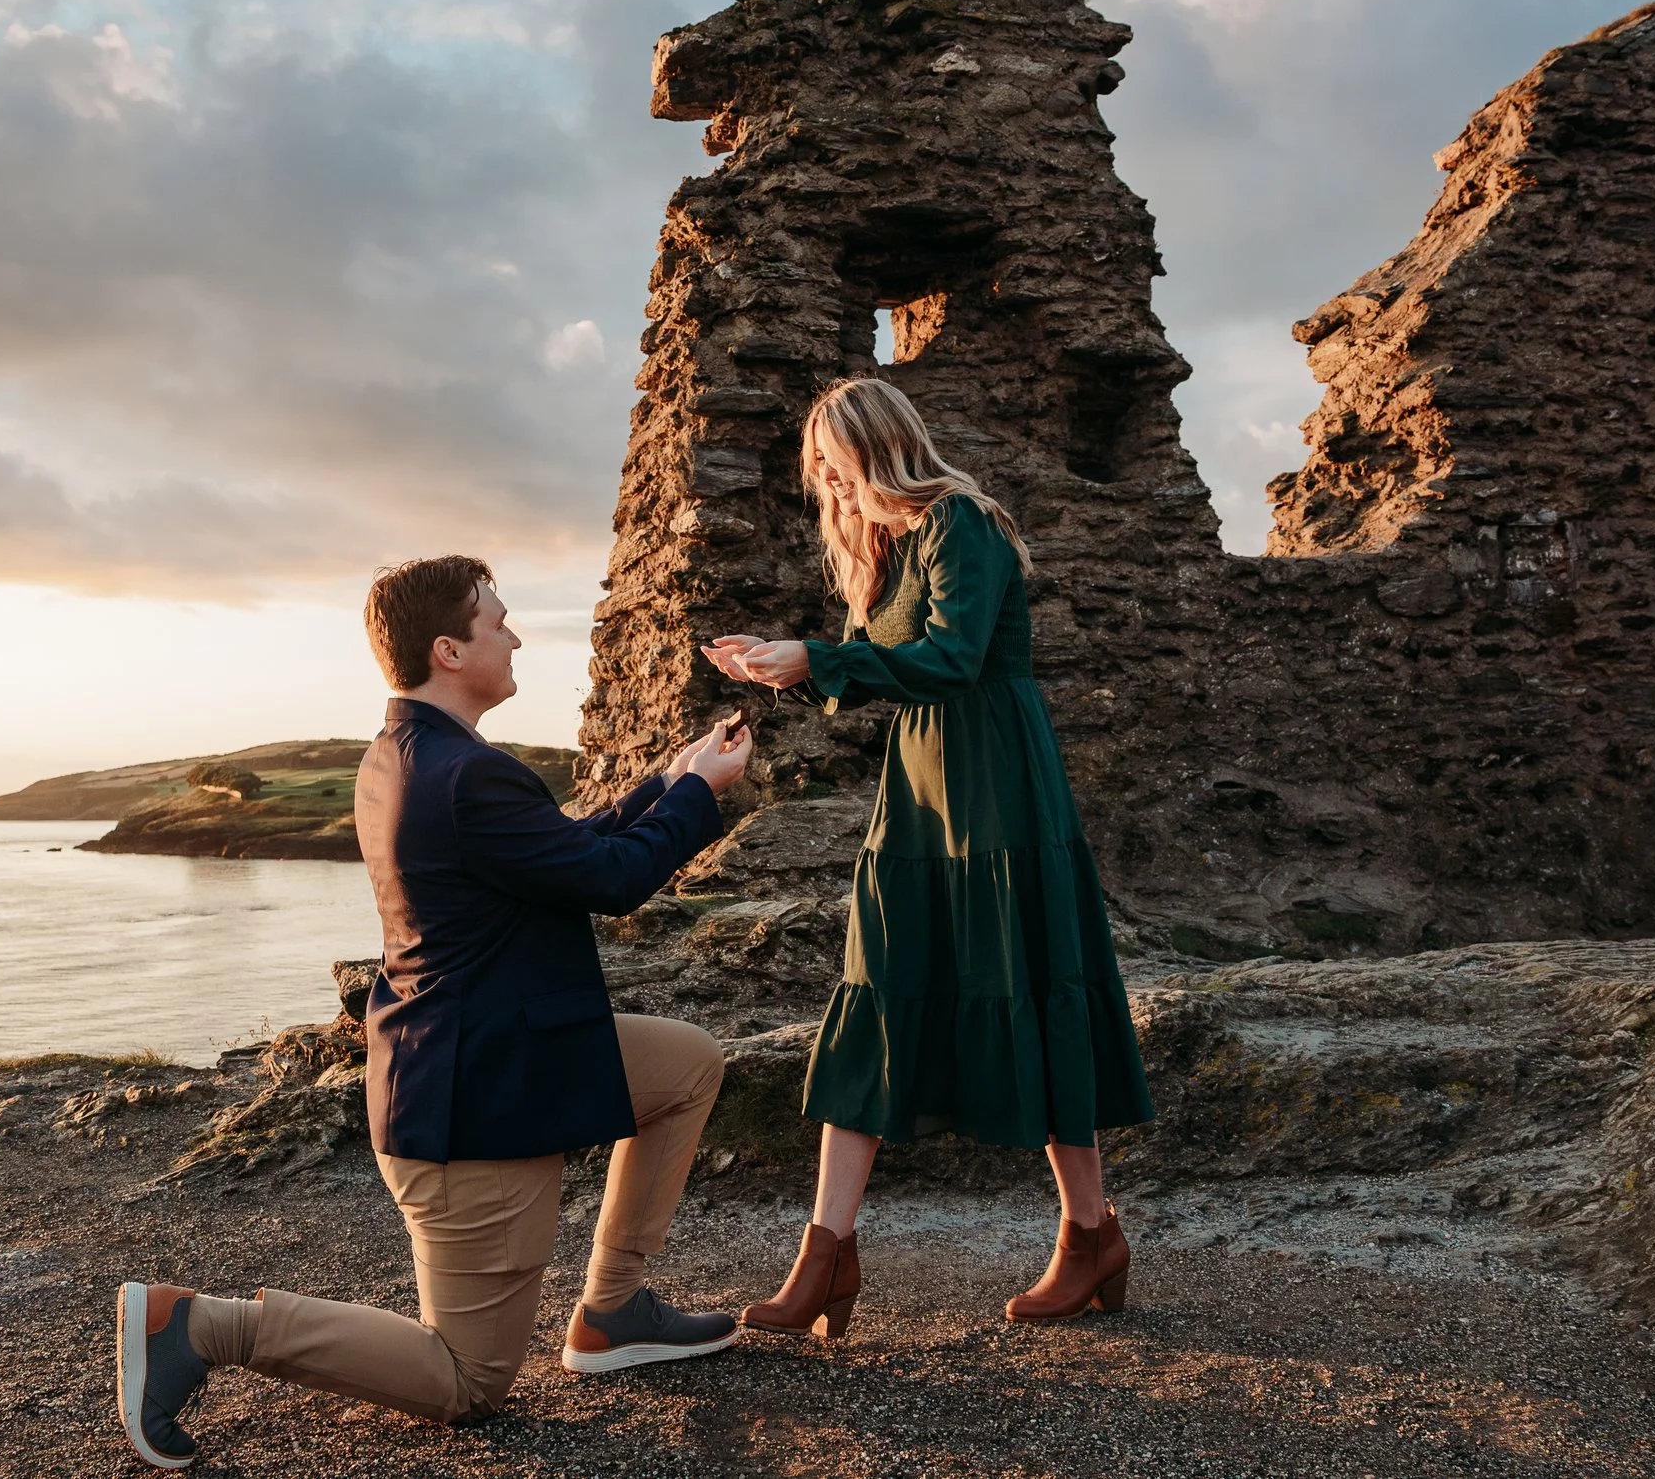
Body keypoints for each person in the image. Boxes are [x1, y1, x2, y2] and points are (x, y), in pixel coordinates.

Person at [116, 555, 753, 1469]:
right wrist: (701, 797)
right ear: (450, 649)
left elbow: (561, 851)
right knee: (467, 1381)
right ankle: (199, 1326)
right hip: (472, 1110)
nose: (516, 633)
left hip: (491, 1054)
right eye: (498, 620)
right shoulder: (465, 775)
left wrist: (668, 781)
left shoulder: (408, 755)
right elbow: (609, 881)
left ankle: (612, 1311)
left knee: (685, 1062)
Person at [704, 377, 1155, 1337]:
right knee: (876, 996)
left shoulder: (963, 523)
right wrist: (777, 664)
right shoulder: (886, 549)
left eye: (836, 456)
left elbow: (952, 659)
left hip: (1000, 788)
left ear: (880, 447)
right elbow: (885, 670)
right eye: (816, 461)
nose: (824, 476)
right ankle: (824, 1255)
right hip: (916, 799)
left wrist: (820, 656)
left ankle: (1090, 1234)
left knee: (1034, 987)